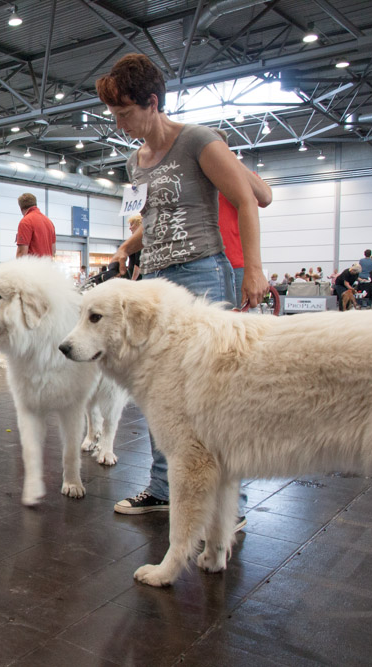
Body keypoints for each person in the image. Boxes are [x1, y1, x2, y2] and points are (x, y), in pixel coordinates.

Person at [98, 54, 266, 520]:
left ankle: (231, 503)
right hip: (153, 281)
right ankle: (163, 487)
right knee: (157, 390)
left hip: (202, 274)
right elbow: (154, 221)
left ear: (152, 102)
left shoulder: (196, 140)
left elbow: (248, 200)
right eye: (114, 115)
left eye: (126, 112)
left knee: (213, 391)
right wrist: (127, 249)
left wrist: (252, 268)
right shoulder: (136, 161)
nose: (120, 123)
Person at [212, 130, 273, 306]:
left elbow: (266, 197)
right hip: (206, 266)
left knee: (241, 325)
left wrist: (231, 161)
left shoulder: (238, 178)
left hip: (237, 265)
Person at [15, 193, 56, 257]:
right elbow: (53, 251)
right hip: (47, 265)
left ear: (21, 208)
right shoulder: (49, 222)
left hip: (33, 266)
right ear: (35, 204)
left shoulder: (25, 222)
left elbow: (22, 253)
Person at [126, 215, 142, 280]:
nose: (130, 228)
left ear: (139, 225)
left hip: (138, 279)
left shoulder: (139, 240)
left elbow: (138, 263)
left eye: (132, 225)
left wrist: (133, 280)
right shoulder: (137, 240)